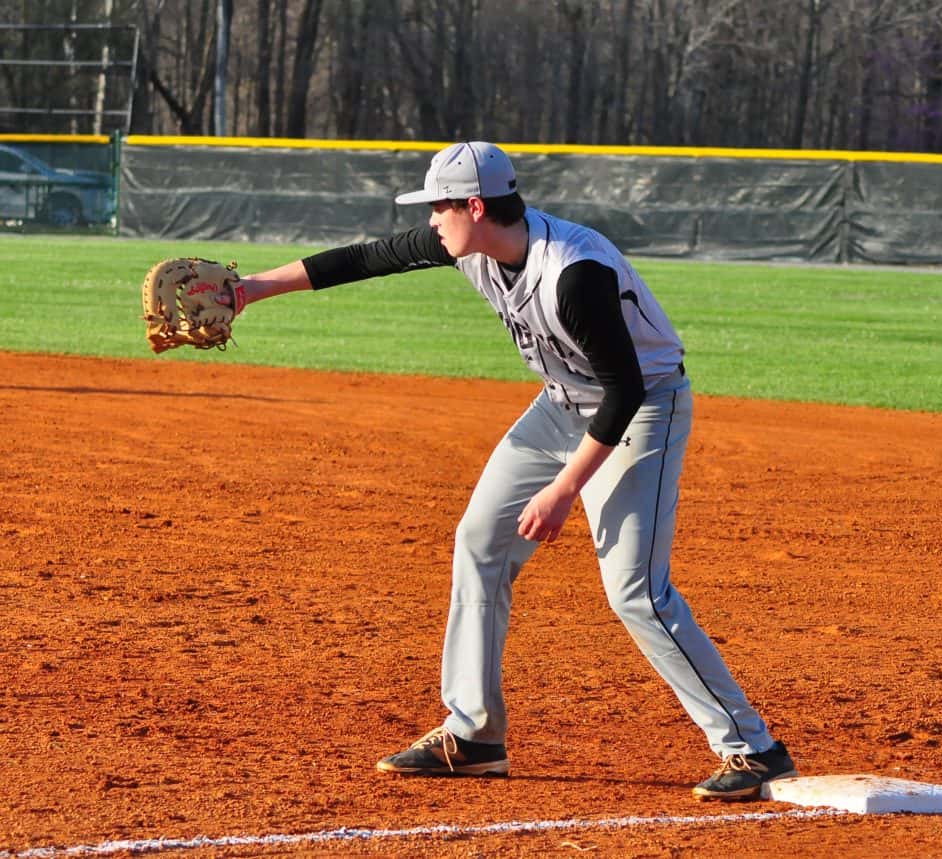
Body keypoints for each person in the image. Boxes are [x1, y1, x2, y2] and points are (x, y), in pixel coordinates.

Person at [238, 141, 796, 800]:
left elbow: (623, 390)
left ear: (476, 207)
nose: (432, 219)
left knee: (636, 592)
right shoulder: (466, 244)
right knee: (481, 542)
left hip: (643, 407)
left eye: (441, 206)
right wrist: (252, 289)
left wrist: (564, 489)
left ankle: (753, 748)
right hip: (560, 405)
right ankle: (474, 733)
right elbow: (366, 258)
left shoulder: (574, 273)